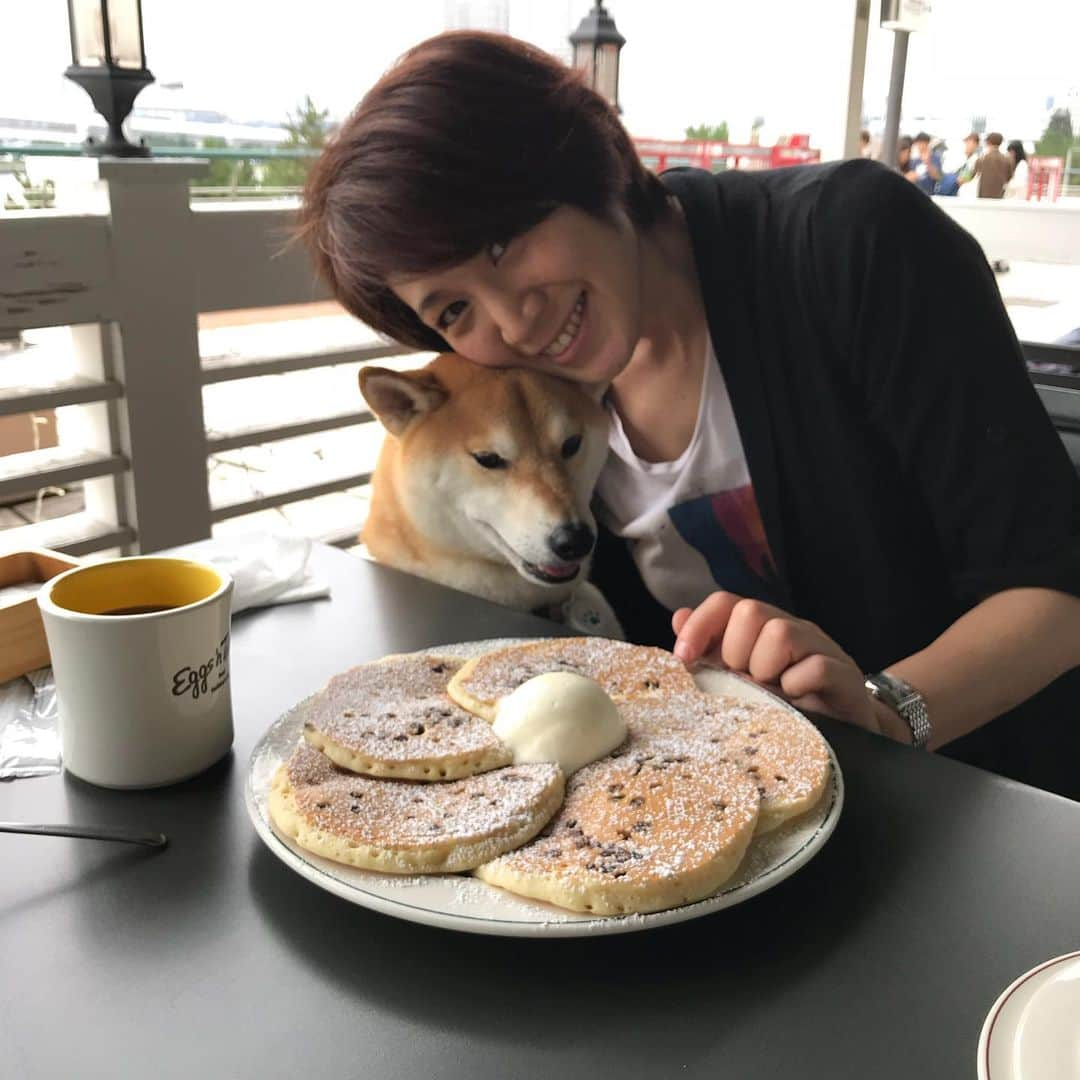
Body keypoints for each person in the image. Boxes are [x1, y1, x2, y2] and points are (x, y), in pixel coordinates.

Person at [298, 32, 1080, 798]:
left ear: (587, 159)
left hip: (984, 800)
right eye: (456, 308)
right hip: (727, 816)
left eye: (502, 242)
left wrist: (882, 713)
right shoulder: (538, 404)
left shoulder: (850, 244)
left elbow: (1056, 589)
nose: (515, 321)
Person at [974, 132, 1012, 198]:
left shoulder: (982, 159)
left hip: (983, 196)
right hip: (999, 196)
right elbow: (1009, 178)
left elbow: (974, 174)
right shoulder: (1007, 160)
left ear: (988, 142)